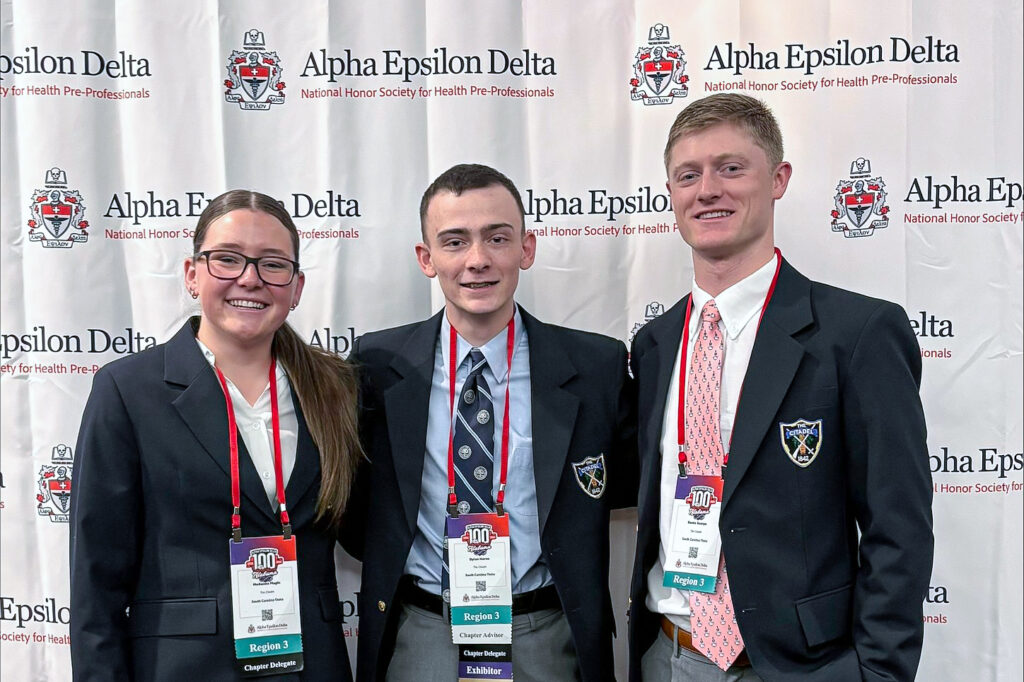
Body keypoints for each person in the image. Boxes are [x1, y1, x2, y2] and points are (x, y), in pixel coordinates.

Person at [627, 94, 933, 681]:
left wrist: (878, 673)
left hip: (804, 667)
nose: (707, 189)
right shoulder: (656, 345)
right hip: (668, 655)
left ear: (779, 179)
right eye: (688, 175)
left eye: (731, 168)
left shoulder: (858, 334)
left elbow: (899, 526)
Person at [346, 164, 636, 681]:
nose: (477, 261)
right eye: (454, 242)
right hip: (423, 632)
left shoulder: (596, 367)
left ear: (526, 248)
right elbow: (352, 506)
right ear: (426, 258)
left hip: (546, 633)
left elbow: (626, 483)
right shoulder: (376, 366)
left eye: (496, 238)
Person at [70, 190, 361, 681]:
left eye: (272, 264)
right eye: (228, 259)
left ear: (297, 287)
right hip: (183, 669)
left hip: (313, 666)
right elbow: (95, 582)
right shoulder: (127, 391)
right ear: (192, 273)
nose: (249, 278)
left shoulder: (337, 389)